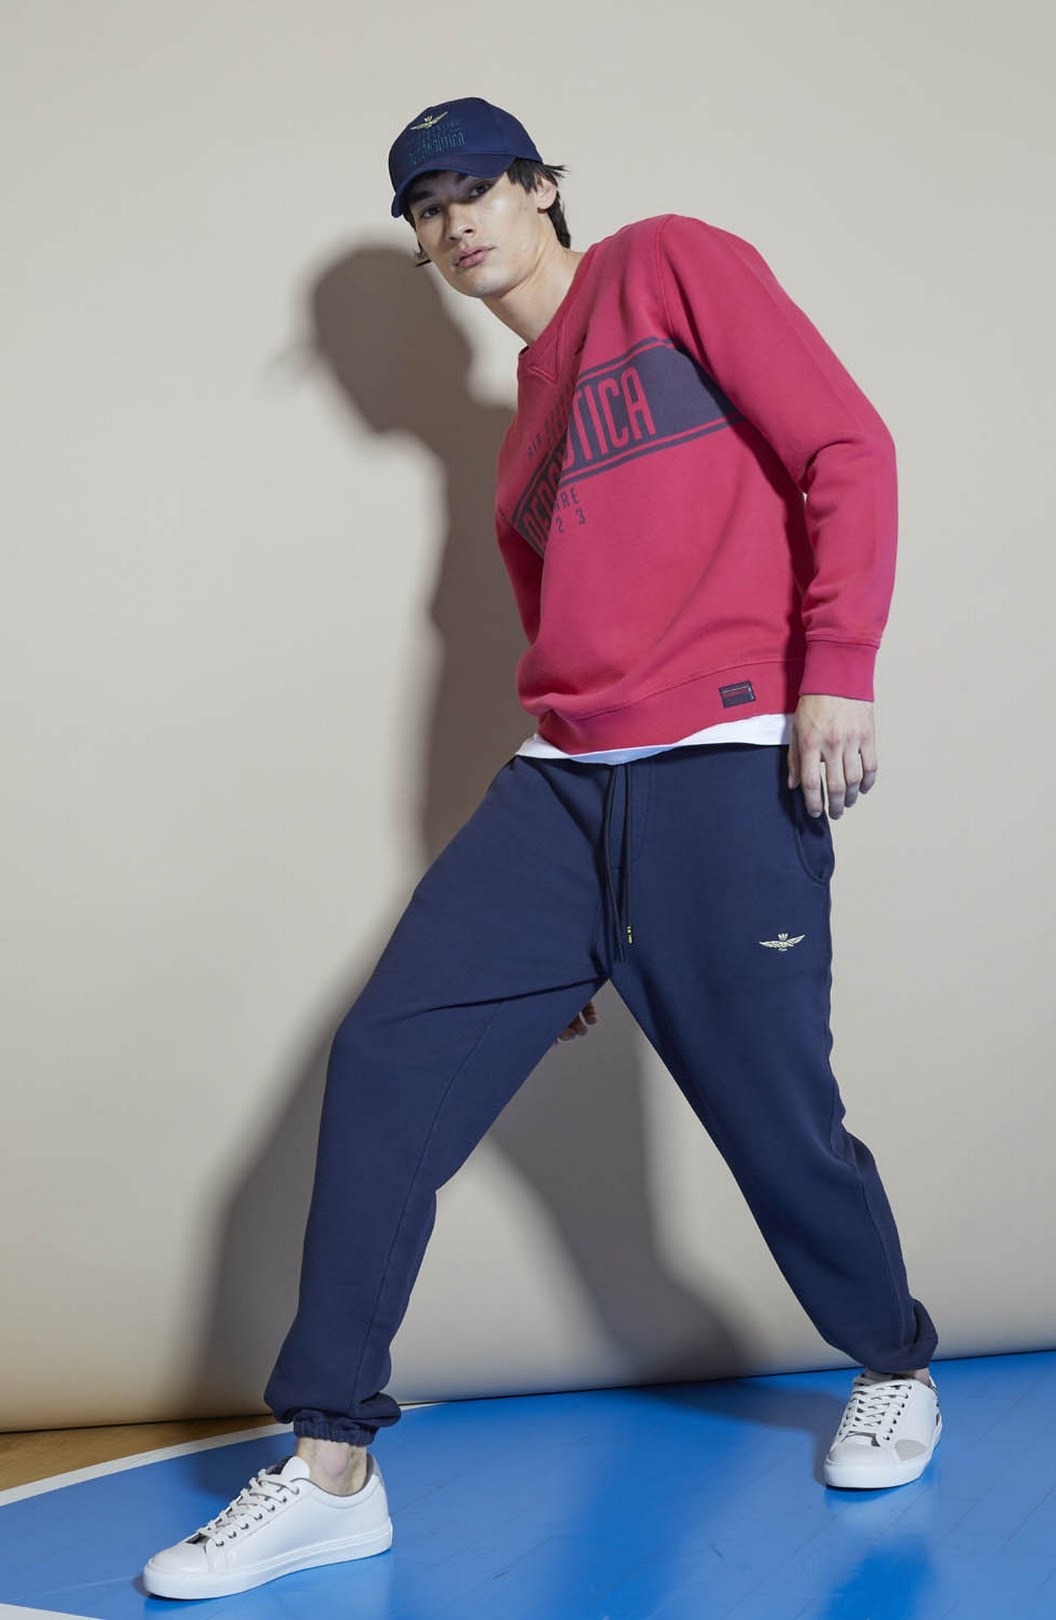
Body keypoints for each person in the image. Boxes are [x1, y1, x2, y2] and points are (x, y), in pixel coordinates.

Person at [143, 96, 941, 1601]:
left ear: (542, 188)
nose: (456, 222)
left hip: (724, 763)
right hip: (567, 793)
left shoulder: (669, 264)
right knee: (386, 1059)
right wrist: (563, 930)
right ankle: (330, 1463)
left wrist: (838, 666)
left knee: (777, 1118)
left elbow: (847, 443)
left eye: (478, 188)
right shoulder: (521, 449)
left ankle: (893, 1361)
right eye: (426, 206)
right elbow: (561, 650)